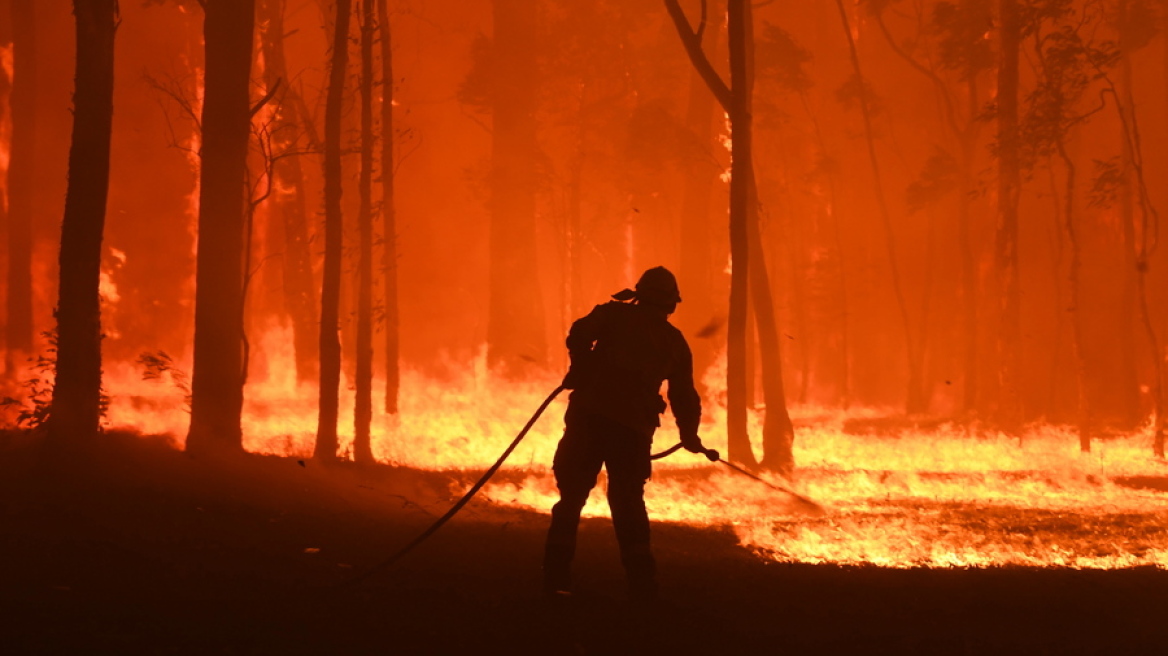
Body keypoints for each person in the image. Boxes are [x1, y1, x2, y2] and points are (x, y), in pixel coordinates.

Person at [543, 266, 709, 601]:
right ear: (671, 303)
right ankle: (642, 585)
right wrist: (689, 434)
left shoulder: (613, 316)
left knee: (572, 498)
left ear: (639, 293)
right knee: (628, 503)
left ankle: (556, 578)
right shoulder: (673, 342)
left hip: (589, 419)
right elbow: (683, 395)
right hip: (631, 432)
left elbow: (578, 333)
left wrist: (580, 365)